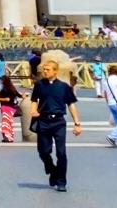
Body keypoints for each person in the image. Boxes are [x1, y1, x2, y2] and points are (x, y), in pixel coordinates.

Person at [30, 57, 83, 190]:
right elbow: (34, 99)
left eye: (47, 70)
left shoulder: (64, 87)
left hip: (59, 122)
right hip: (43, 121)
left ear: (55, 71)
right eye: (44, 70)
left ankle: (61, 182)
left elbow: (71, 104)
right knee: (43, 151)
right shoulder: (39, 85)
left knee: (61, 153)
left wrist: (77, 123)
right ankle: (52, 170)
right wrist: (33, 109)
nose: (45, 72)